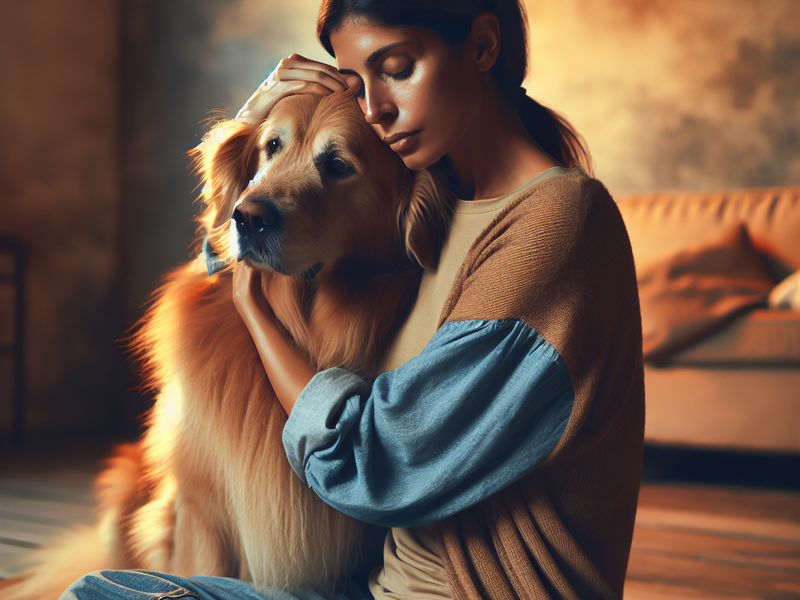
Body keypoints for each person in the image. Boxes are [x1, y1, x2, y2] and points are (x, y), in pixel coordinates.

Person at [61, 1, 644, 599]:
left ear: (482, 47)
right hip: (373, 587)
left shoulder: (555, 224)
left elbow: (377, 464)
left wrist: (256, 314)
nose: (376, 108)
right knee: (98, 590)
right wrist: (255, 116)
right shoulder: (434, 209)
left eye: (397, 68)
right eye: (358, 81)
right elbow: (229, 245)